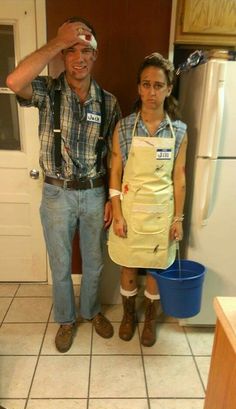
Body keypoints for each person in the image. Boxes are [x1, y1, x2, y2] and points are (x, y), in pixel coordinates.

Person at [6, 17, 121, 352]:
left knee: (95, 261)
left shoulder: (109, 102)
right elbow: (14, 81)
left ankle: (90, 311)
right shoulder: (46, 91)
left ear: (95, 55)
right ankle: (66, 321)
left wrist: (112, 197)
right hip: (56, 193)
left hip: (96, 192)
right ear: (62, 56)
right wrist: (57, 41)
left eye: (85, 49)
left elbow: (115, 157)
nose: (79, 57)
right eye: (71, 50)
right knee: (59, 264)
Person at [108, 52, 187, 347]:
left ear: (168, 89)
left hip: (161, 214)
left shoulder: (179, 131)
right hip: (130, 211)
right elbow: (115, 172)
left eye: (158, 85)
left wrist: (178, 218)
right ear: (138, 88)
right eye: (145, 84)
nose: (151, 92)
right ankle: (129, 316)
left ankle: (150, 319)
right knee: (128, 265)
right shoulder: (124, 127)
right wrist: (117, 213)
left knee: (156, 267)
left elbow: (179, 177)